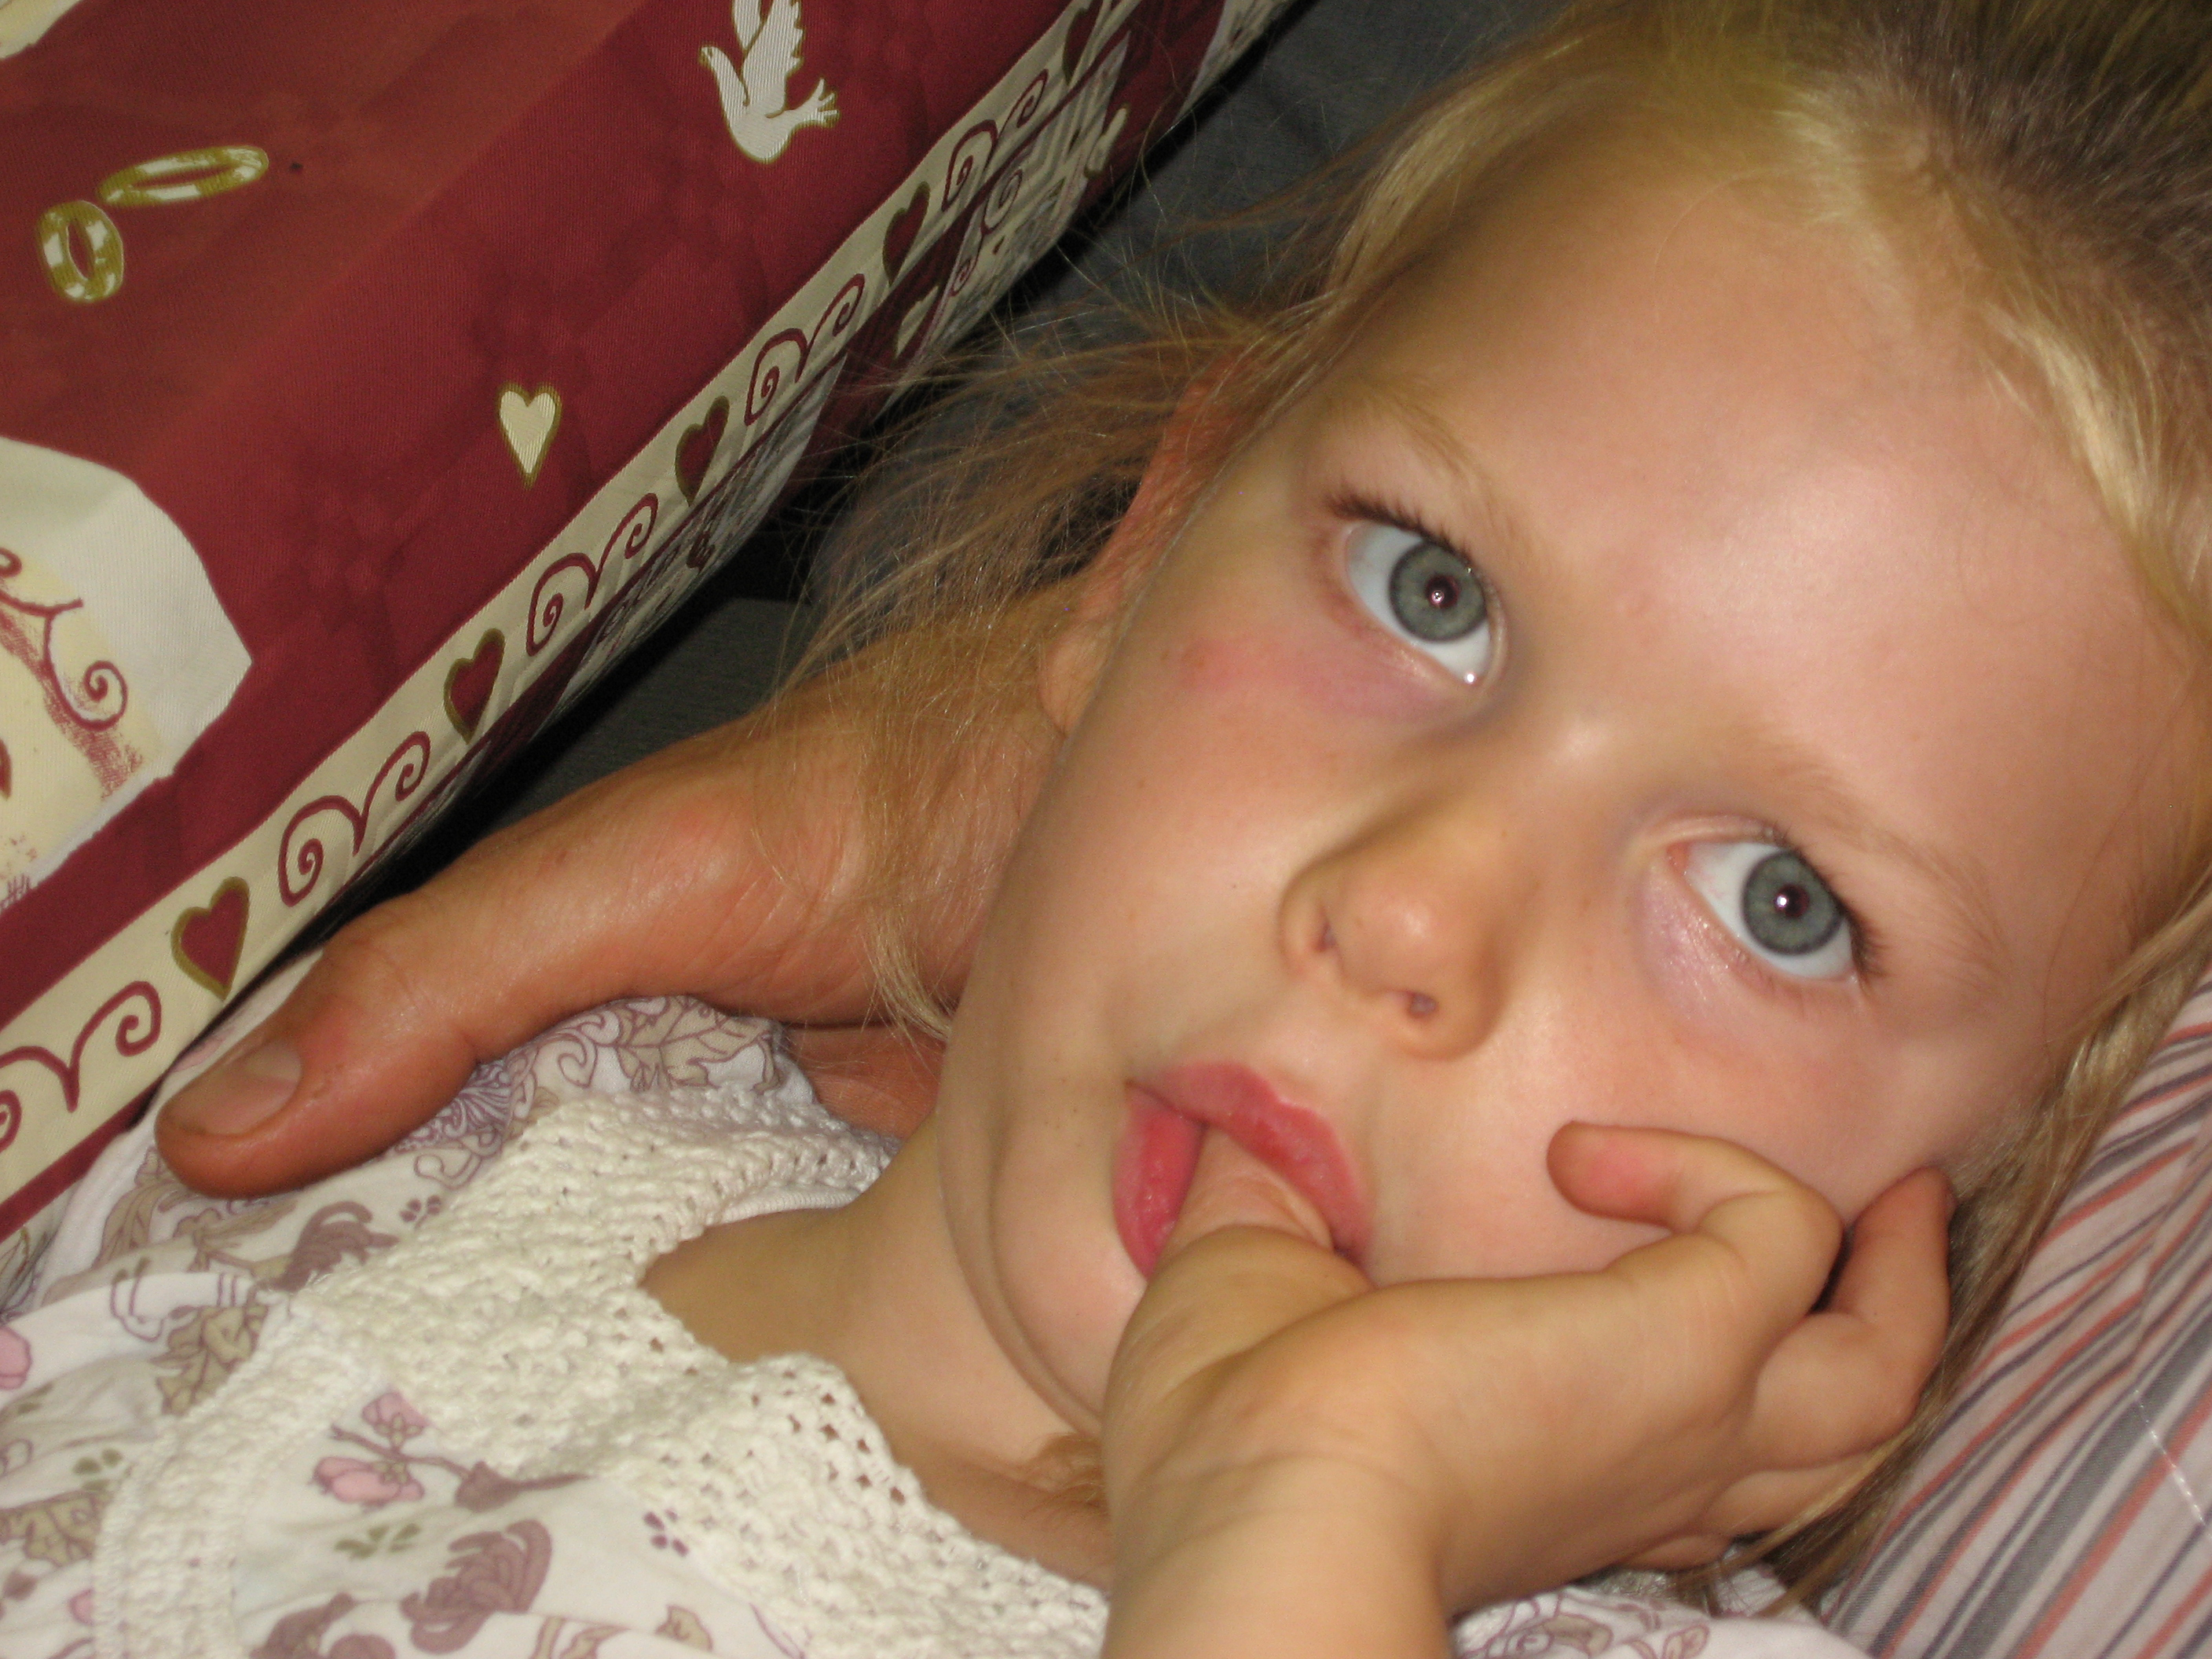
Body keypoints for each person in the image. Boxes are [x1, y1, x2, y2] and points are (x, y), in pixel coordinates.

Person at [39, 0, 2212, 1650]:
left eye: (1778, 900)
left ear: (1978, 1186)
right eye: (1429, 593)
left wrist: (1309, 1518)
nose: (1409, 909)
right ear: (1148, 546)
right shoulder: (496, 1113)